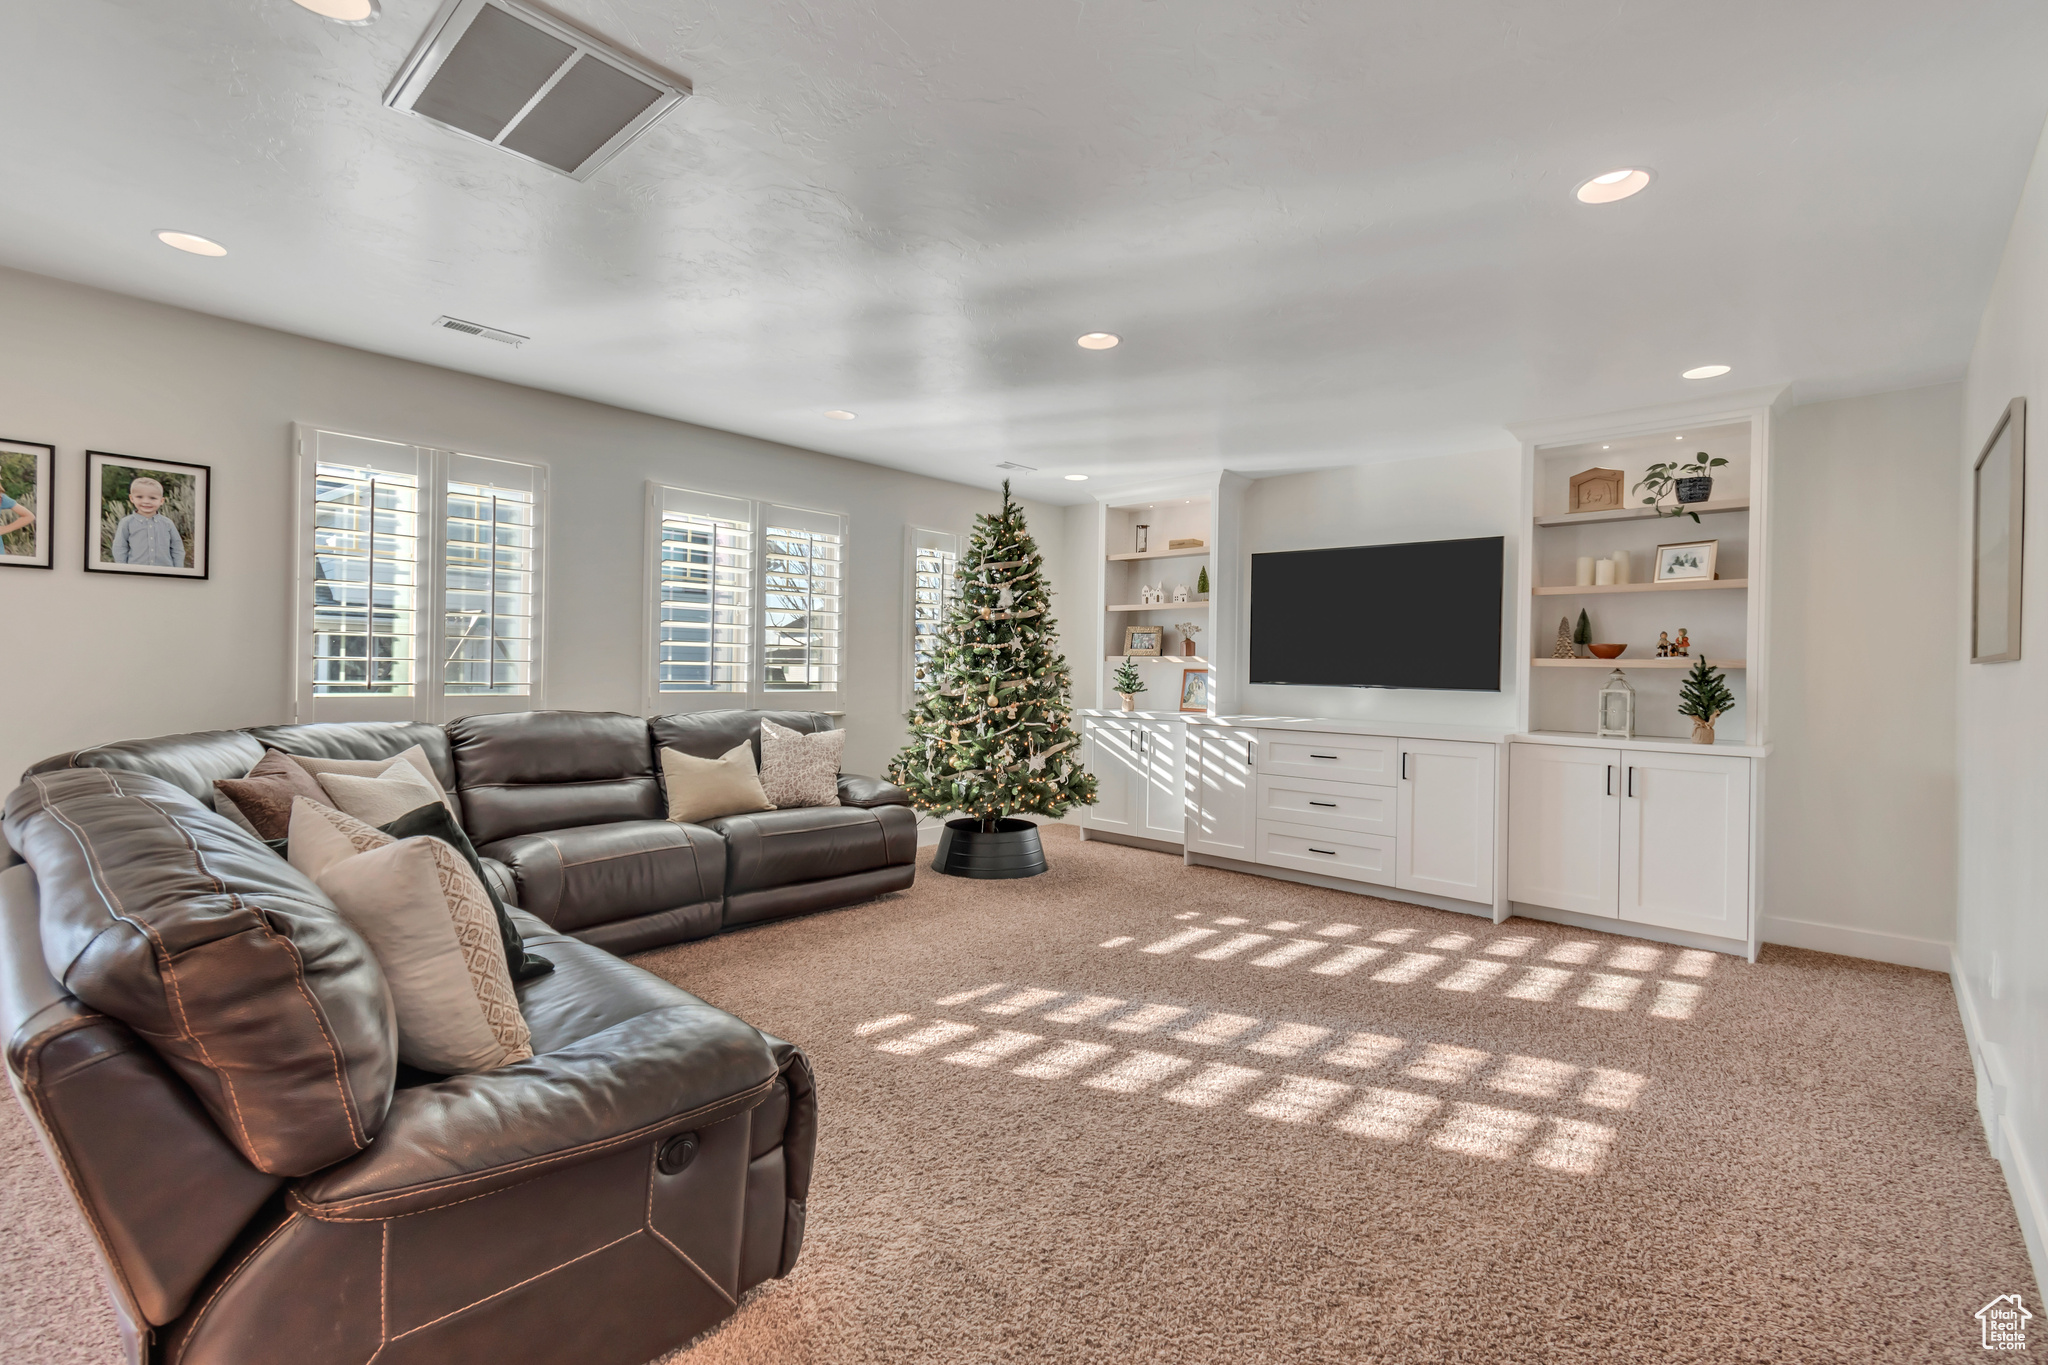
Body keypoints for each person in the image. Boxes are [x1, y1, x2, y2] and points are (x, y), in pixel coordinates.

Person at [109, 475, 184, 567]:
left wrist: (178, 570)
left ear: (161, 501)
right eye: (139, 497)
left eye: (152, 498)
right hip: (136, 573)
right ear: (132, 498)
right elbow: (120, 547)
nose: (146, 501)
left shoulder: (167, 523)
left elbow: (177, 548)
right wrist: (123, 569)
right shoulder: (126, 523)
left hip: (164, 573)